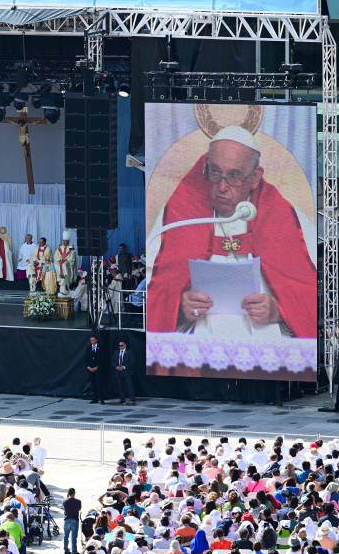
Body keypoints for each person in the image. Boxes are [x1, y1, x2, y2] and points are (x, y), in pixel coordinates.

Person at [148, 126, 316, 341]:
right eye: (214, 172)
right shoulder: (178, 216)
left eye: (234, 175)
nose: (222, 186)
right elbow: (155, 284)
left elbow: (309, 290)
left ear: (255, 177)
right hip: (199, 338)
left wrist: (279, 311)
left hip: (266, 339)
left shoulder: (288, 218)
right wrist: (180, 306)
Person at [114, 339, 135, 405]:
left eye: (121, 345)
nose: (120, 347)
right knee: (120, 386)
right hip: (118, 372)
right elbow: (112, 361)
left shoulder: (129, 352)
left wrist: (124, 367)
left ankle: (132, 399)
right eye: (119, 345)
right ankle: (122, 399)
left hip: (127, 371)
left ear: (125, 345)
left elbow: (132, 362)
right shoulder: (116, 352)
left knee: (129, 386)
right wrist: (116, 367)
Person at [86, 334, 104, 404]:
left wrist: (97, 367)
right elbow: (86, 358)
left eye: (93, 340)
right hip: (90, 369)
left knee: (99, 384)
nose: (92, 341)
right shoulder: (88, 348)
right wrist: (88, 367)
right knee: (93, 384)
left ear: (96, 340)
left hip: (98, 369)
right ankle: (95, 398)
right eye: (91, 340)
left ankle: (101, 399)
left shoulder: (100, 348)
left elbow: (102, 359)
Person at [63, 487, 82, 554]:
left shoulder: (65, 501)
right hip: (74, 519)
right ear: (74, 493)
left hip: (67, 520)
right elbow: (79, 509)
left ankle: (66, 550)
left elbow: (64, 509)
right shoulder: (78, 501)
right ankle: (74, 551)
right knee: (74, 537)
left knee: (66, 536)